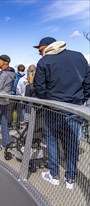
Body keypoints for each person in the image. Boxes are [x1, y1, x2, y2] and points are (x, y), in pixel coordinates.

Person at [33, 37, 90, 189]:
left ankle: (54, 175)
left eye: (40, 49)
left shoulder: (45, 61)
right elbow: (88, 83)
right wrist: (80, 100)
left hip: (53, 108)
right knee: (72, 143)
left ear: (47, 46)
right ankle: (70, 178)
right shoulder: (78, 56)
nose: (40, 53)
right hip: (74, 107)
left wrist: (48, 100)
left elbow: (38, 88)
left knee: (51, 140)